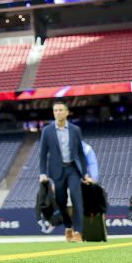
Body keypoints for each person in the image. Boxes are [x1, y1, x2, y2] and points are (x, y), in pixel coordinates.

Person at [37, 102, 93, 242]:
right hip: (57, 171)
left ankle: (78, 232)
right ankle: (68, 226)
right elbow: (43, 154)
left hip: (73, 169)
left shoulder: (75, 130)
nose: (58, 113)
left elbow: (80, 154)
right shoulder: (47, 131)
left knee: (76, 199)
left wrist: (85, 172)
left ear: (67, 112)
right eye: (55, 110)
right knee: (60, 202)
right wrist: (42, 173)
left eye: (61, 110)